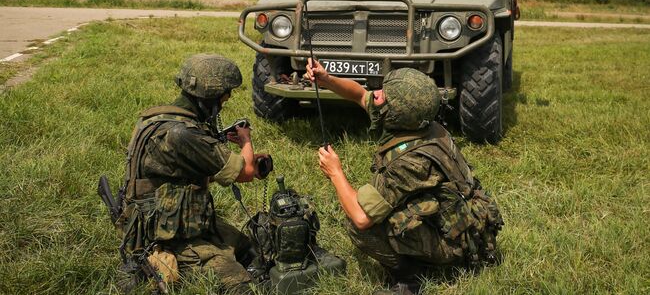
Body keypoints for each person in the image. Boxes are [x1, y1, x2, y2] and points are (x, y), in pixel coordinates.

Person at [305, 59, 504, 295]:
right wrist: (326, 79)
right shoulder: (421, 123)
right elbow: (360, 95)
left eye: (382, 95)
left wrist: (335, 172)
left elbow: (361, 217)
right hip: (459, 220)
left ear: (397, 113)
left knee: (361, 226)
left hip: (454, 242)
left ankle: (408, 279)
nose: (375, 94)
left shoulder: (410, 162)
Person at [117, 54, 267, 294]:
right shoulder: (184, 133)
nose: (227, 101)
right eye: (226, 96)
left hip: (158, 216)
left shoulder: (158, 118)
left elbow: (187, 170)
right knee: (237, 282)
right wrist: (246, 142)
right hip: (166, 233)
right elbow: (246, 172)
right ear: (214, 98)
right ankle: (152, 262)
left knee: (246, 246)